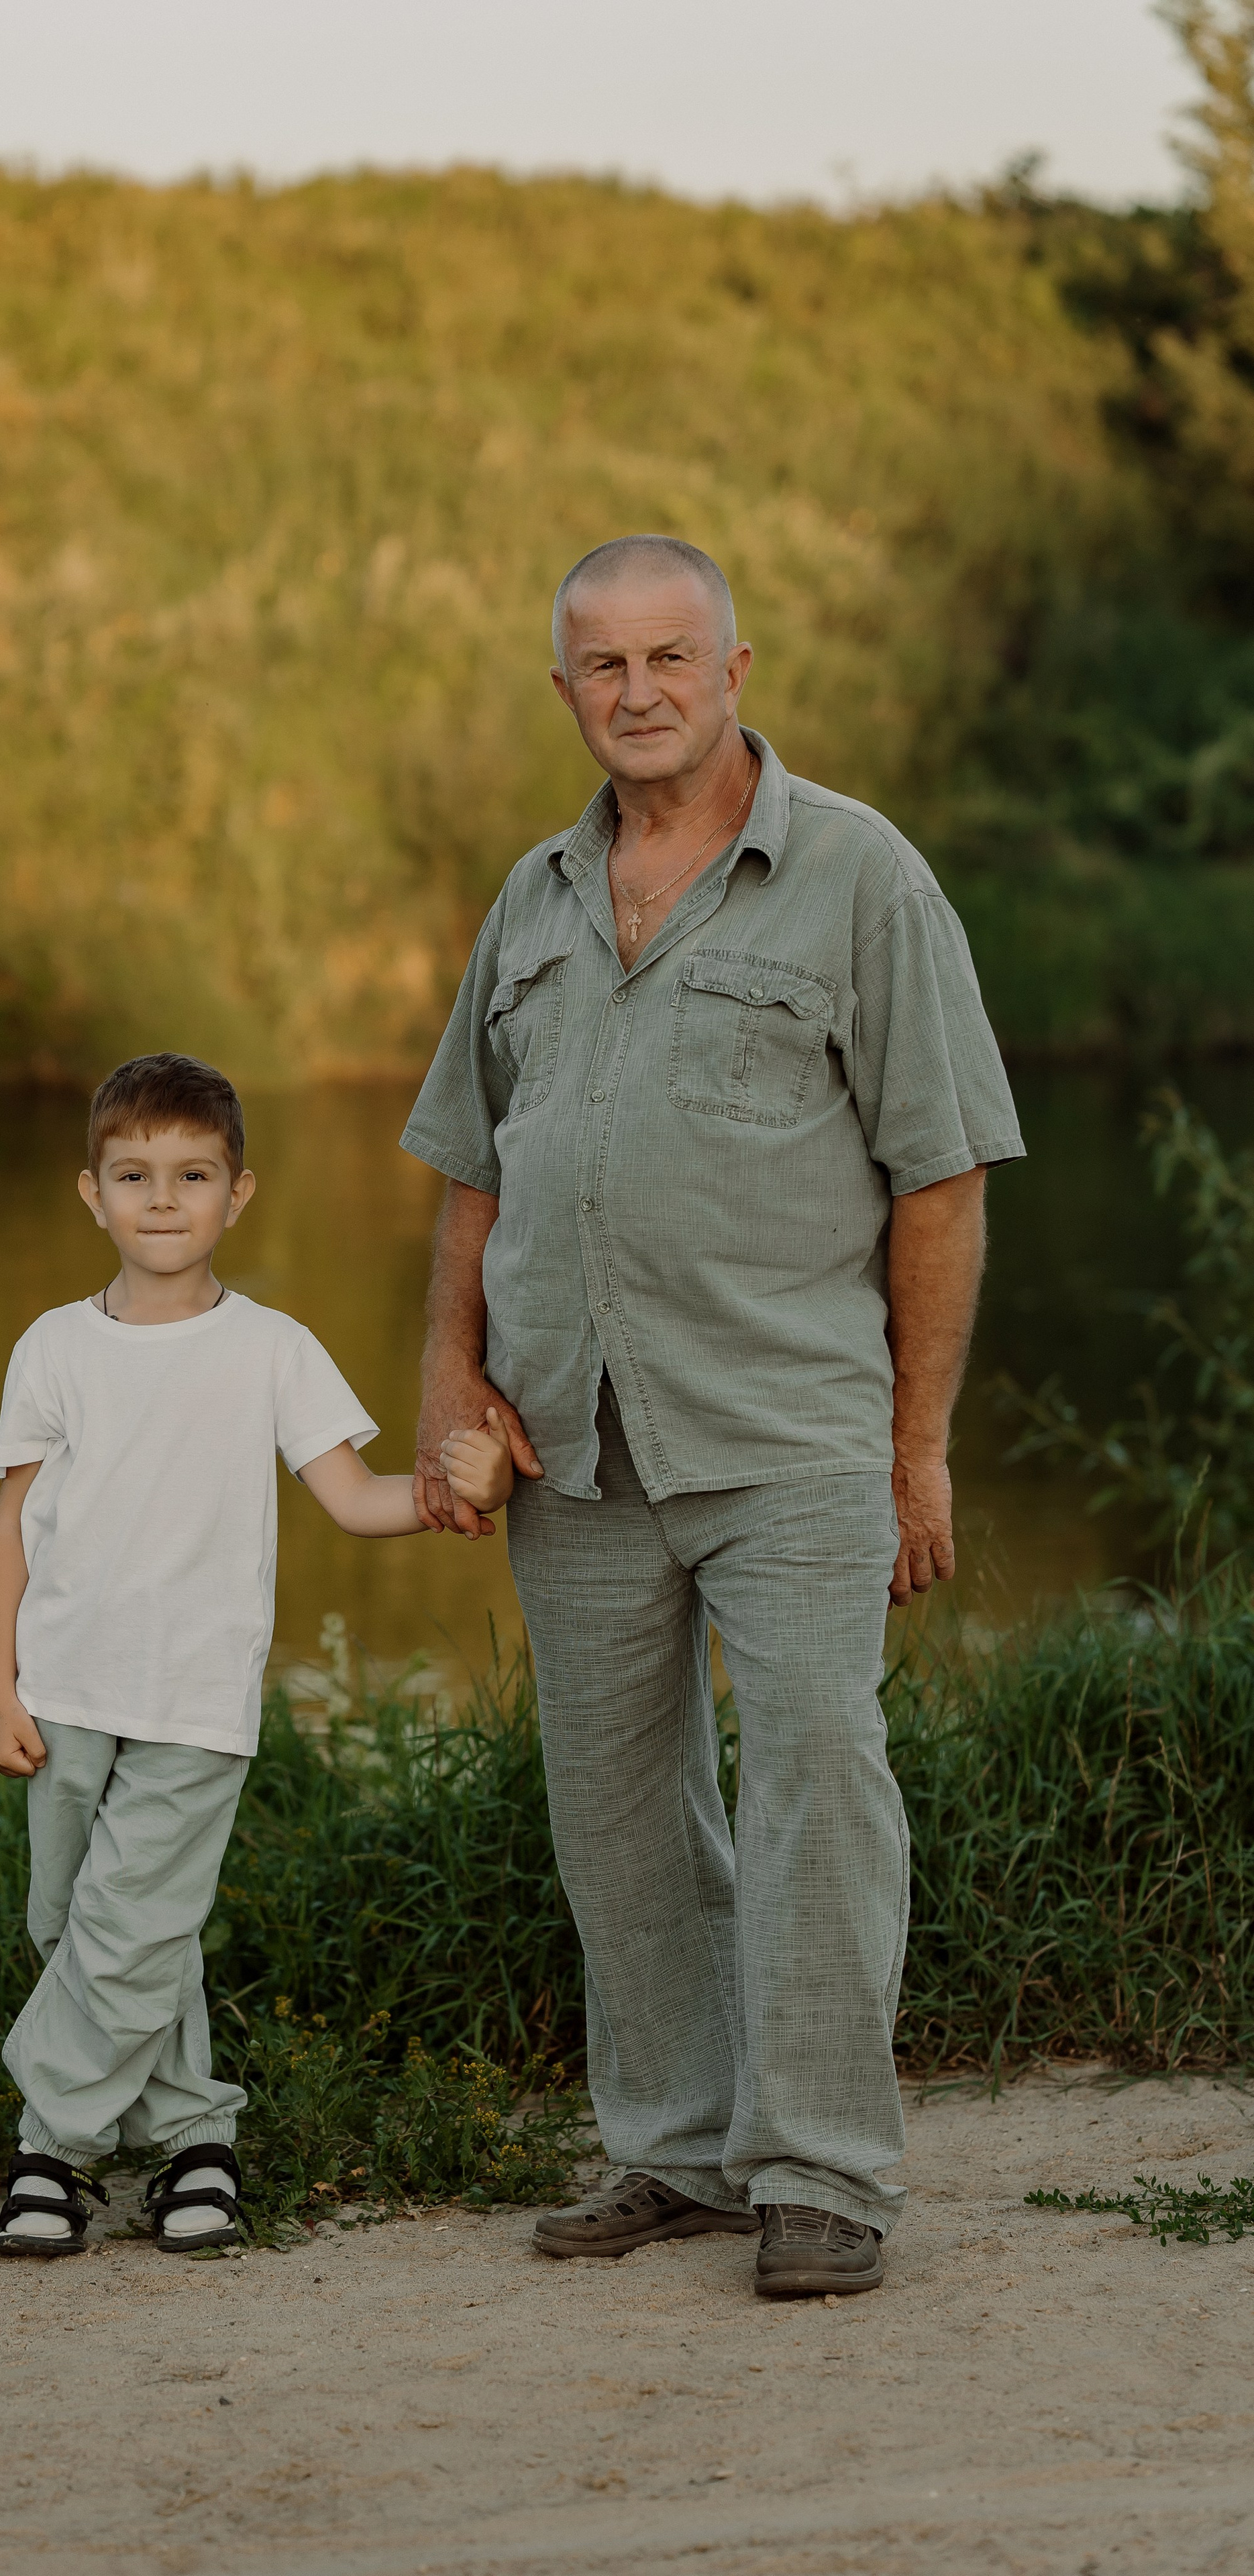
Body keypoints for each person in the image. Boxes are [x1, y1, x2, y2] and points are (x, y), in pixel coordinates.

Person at [403, 535, 1025, 2299]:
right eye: (604, 666)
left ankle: (823, 2173)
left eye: (671, 658)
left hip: (794, 1430)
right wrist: (452, 1383)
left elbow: (945, 1178)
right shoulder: (530, 901)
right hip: (572, 1443)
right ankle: (673, 2151)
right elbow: (470, 1171)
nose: (640, 692)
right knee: (615, 1804)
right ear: (566, 693)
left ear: (736, 668)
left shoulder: (860, 877)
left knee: (822, 1771)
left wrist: (918, 1445)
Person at [0, 1051, 509, 2256]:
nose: (162, 1200)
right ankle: (194, 2143)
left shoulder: (270, 1347)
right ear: (91, 1193)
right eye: (135, 1175)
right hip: (62, 1685)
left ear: (239, 1194)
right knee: (79, 1922)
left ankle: (47, 2146)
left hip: (193, 1697)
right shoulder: (53, 1347)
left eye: (192, 1175)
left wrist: (452, 1489)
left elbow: (354, 1495)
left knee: (125, 1921)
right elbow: (14, 1522)